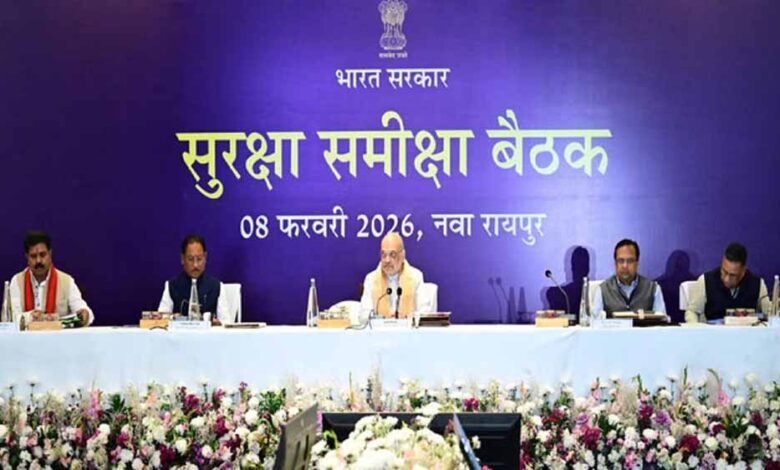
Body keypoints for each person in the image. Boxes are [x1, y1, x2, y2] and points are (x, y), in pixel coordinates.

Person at [9, 231, 94, 326]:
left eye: (42, 255)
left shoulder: (66, 281)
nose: (38, 261)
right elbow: (12, 317)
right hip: (26, 335)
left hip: (58, 335)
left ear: (50, 254)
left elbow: (82, 309)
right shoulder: (17, 281)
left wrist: (84, 314)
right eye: (33, 256)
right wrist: (30, 316)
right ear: (27, 257)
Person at [685, 242, 771, 323]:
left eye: (732, 275)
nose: (726, 279)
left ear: (743, 271)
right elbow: (692, 312)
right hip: (713, 332)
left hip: (747, 332)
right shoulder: (705, 281)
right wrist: (696, 328)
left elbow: (769, 314)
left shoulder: (757, 284)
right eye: (724, 271)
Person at [158, 234, 233, 324]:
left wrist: (218, 324)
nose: (195, 265)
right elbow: (161, 320)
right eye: (190, 259)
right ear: (182, 259)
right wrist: (173, 318)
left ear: (205, 257)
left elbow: (226, 322)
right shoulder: (171, 286)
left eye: (199, 259)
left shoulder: (217, 287)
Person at [359, 232, 432, 318]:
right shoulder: (371, 279)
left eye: (392, 255)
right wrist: (381, 318)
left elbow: (425, 311)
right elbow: (363, 314)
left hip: (408, 326)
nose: (387, 260)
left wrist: (407, 317)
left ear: (403, 256)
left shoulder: (415, 277)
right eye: (384, 255)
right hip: (379, 326)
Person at [591, 239, 666, 317]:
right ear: (615, 264)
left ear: (637, 263)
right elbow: (595, 321)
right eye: (621, 261)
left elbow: (661, 320)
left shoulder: (653, 289)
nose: (625, 266)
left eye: (630, 261)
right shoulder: (603, 290)